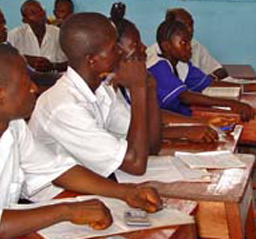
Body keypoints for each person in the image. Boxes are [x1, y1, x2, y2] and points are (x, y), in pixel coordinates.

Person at [0, 42, 161, 239]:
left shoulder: (12, 128)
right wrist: (67, 211)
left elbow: (57, 168)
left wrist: (126, 192)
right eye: (25, 83)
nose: (34, 88)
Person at [29, 12, 159, 198]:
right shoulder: (65, 106)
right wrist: (138, 88)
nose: (121, 51)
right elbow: (136, 164)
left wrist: (149, 88)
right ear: (92, 60)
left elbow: (150, 146)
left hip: (92, 182)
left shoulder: (101, 90)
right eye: (114, 47)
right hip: (54, 194)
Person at [110, 3, 228, 143]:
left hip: (156, 139)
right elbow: (139, 132)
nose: (144, 48)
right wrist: (191, 128)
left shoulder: (181, 64)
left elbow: (151, 115)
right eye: (136, 45)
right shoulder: (156, 66)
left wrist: (200, 122)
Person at [147, 19, 256, 121]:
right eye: (183, 43)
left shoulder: (181, 65)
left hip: (183, 118)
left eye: (189, 42)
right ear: (166, 46)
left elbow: (208, 83)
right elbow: (185, 97)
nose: (189, 47)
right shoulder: (158, 67)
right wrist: (231, 103)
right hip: (161, 125)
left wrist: (253, 87)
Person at [146, 8, 228, 80]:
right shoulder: (155, 61)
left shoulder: (186, 64)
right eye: (183, 25)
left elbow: (219, 71)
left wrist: (208, 80)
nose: (190, 29)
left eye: (191, 24)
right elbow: (184, 94)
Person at [8, 0, 67, 72]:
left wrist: (53, 66)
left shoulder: (58, 33)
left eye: (41, 10)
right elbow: (4, 58)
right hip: (25, 81)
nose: (40, 14)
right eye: (33, 13)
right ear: (24, 20)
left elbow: (71, 63)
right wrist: (25, 59)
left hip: (54, 80)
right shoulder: (15, 35)